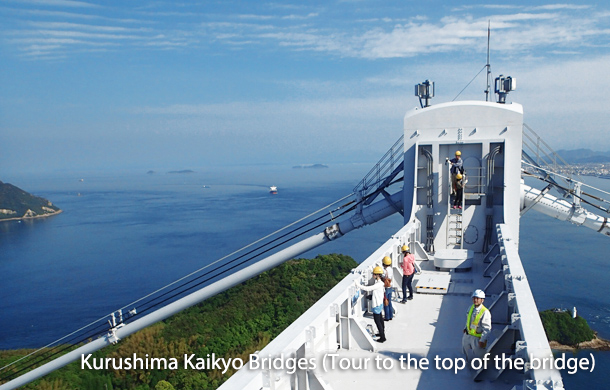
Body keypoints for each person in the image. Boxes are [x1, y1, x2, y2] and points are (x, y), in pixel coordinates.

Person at [462, 289, 491, 361]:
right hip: (467, 335)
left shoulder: (485, 312)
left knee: (480, 355)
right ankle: (467, 364)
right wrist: (465, 328)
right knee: (465, 351)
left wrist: (482, 340)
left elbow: (487, 329)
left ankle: (482, 367)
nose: (475, 300)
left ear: (482, 300)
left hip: (477, 338)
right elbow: (468, 319)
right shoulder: (471, 307)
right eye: (474, 298)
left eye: (477, 298)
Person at [359, 266, 386, 342]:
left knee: (378, 321)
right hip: (379, 304)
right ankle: (381, 333)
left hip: (376, 305)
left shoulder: (378, 284)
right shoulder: (380, 283)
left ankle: (382, 337)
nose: (372, 275)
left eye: (374, 274)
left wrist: (358, 284)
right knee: (380, 320)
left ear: (377, 275)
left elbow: (368, 288)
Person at [382, 256, 393, 321]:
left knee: (385, 302)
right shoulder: (390, 269)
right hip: (390, 286)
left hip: (386, 287)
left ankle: (387, 317)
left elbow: (384, 276)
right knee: (389, 301)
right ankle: (391, 315)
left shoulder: (385, 270)